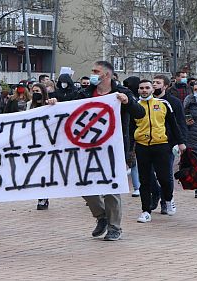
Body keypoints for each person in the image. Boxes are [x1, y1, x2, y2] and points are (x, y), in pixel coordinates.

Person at [72, 61, 144, 241]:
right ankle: (101, 216)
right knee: (83, 183)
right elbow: (68, 110)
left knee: (111, 187)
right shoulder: (84, 93)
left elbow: (139, 113)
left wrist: (127, 102)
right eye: (92, 71)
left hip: (113, 147)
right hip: (87, 147)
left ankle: (114, 226)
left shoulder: (121, 93)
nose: (93, 74)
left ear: (108, 75)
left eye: (96, 71)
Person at [133, 80, 185, 224]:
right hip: (142, 146)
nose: (144, 90)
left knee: (164, 178)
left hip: (161, 145)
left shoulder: (163, 104)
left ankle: (168, 199)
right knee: (145, 181)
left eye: (147, 87)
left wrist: (181, 143)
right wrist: (130, 147)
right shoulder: (135, 106)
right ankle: (145, 211)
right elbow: (130, 128)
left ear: (152, 89)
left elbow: (174, 124)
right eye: (141, 88)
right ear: (138, 90)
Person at [151, 74, 188, 213]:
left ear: (165, 86)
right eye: (153, 82)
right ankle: (155, 194)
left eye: (158, 82)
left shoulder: (174, 102)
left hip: (168, 142)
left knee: (165, 174)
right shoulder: (147, 101)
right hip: (149, 142)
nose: (154, 85)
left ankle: (166, 200)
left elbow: (180, 123)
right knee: (149, 174)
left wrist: (181, 142)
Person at [29, 83, 51, 210]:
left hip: (46, 143)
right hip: (32, 143)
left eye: (37, 91)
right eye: (33, 91)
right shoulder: (29, 105)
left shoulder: (49, 105)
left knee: (44, 171)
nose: (35, 93)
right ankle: (40, 194)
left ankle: (43, 198)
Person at [122, 76, 141, 197]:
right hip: (124, 134)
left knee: (133, 162)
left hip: (134, 135)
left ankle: (137, 186)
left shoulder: (135, 103)